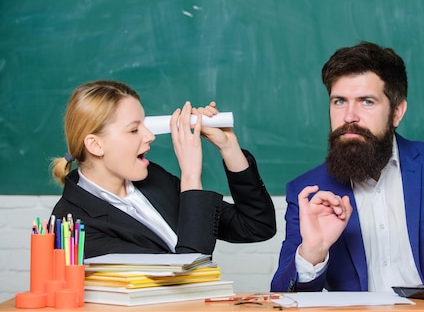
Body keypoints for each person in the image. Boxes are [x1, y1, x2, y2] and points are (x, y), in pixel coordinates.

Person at [271, 42, 424, 292]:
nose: (349, 116)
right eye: (339, 101)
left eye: (367, 102)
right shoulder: (308, 192)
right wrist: (312, 254)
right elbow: (283, 297)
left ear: (397, 112)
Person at [51, 80, 276, 259]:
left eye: (145, 125)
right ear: (95, 145)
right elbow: (183, 279)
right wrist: (190, 176)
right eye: (133, 130)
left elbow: (256, 226)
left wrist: (229, 147)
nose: (150, 137)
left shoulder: (154, 181)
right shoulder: (72, 226)